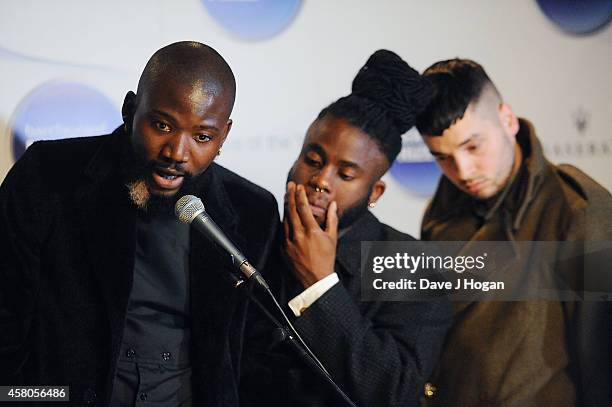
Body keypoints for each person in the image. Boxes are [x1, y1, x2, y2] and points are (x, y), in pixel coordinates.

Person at [0, 41, 280, 406]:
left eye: (202, 137)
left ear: (223, 136)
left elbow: (258, 356)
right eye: (162, 125)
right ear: (130, 110)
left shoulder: (252, 210)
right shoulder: (48, 175)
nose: (177, 153)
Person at [241, 50, 452, 407]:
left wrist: (320, 286)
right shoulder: (251, 236)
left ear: (375, 192)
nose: (321, 180)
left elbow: (395, 392)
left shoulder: (414, 269)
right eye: (312, 160)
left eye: (346, 174)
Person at [416, 58, 612, 406]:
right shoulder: (442, 210)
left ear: (507, 119)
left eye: (473, 146)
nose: (463, 171)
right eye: (442, 158)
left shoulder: (579, 213)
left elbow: (602, 364)